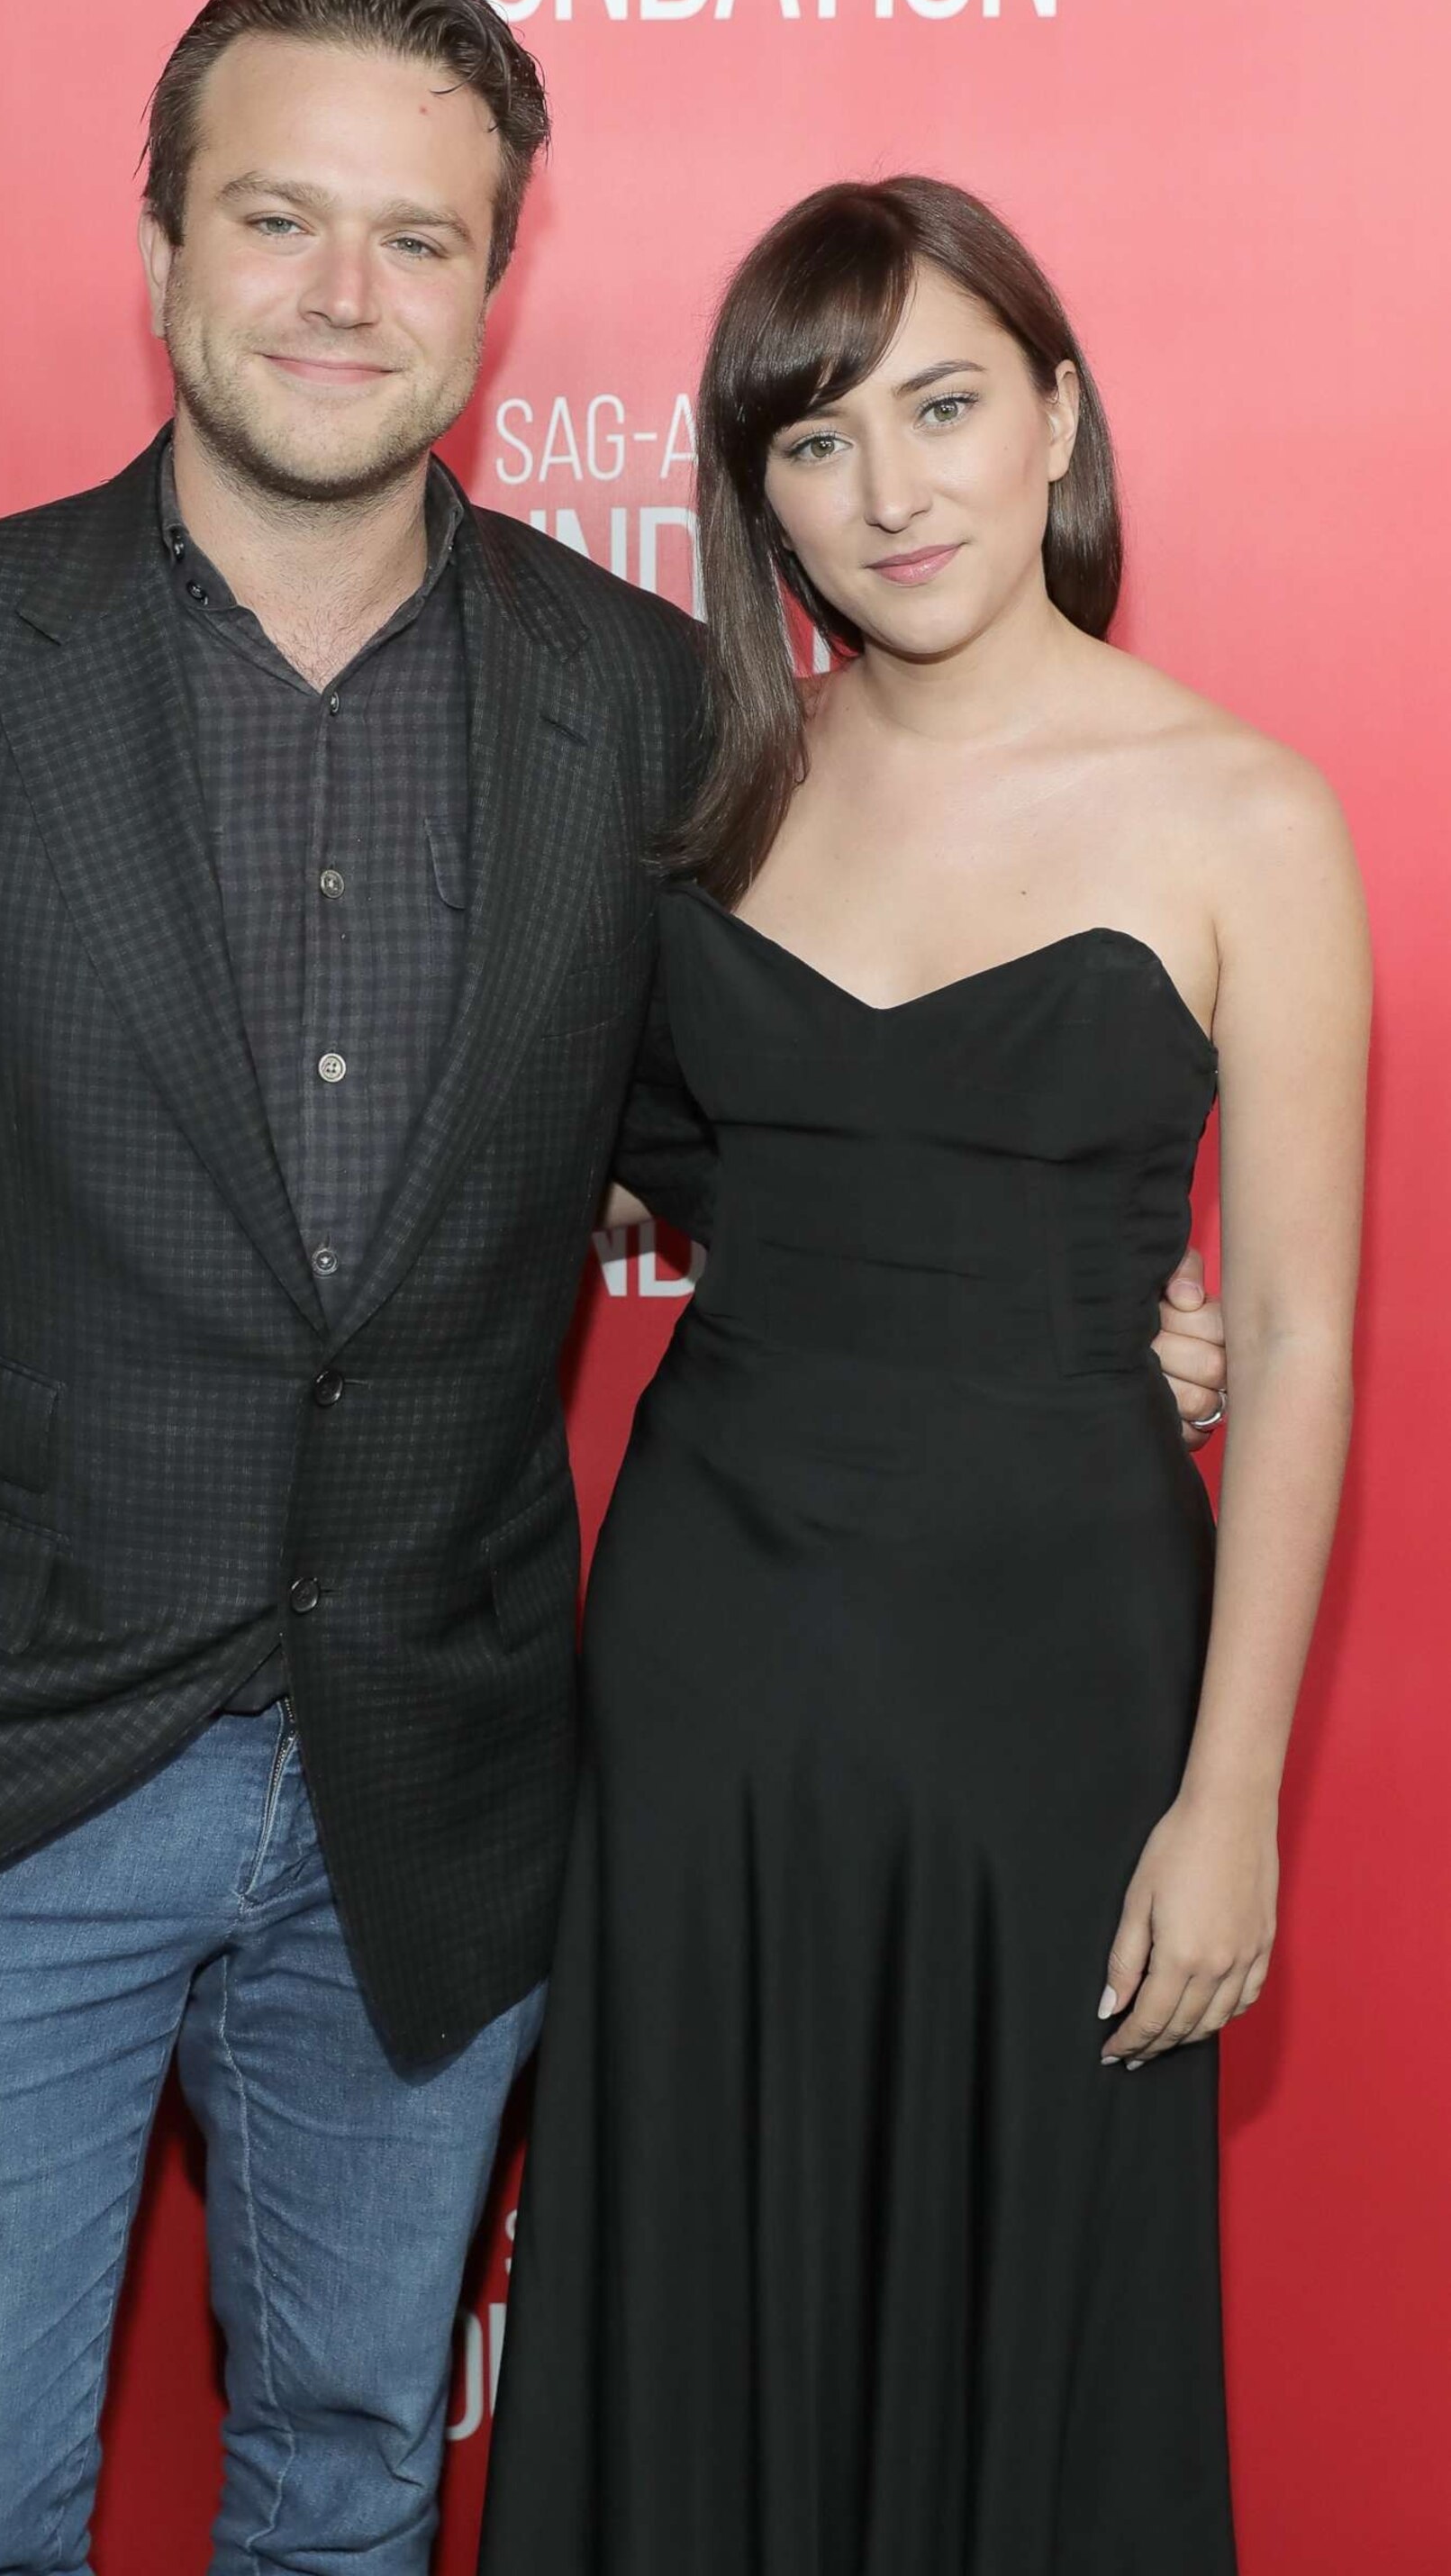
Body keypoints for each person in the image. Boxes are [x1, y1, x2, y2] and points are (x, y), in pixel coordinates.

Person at [0, 0, 1225, 2575]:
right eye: (278, 219)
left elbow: (740, 1126)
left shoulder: (643, 707)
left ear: (496, 291)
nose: (341, 295)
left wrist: (1040, 1299)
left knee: (359, 2491)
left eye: (415, 238)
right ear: (158, 246)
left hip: (437, 1802)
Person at [479, 178, 1365, 2576]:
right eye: (815, 438)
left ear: (1057, 412)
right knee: (697, 2256)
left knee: (1034, 2307)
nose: (890, 490)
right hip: (708, 1662)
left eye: (947, 405)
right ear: (748, 484)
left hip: (1057, 1682)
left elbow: (1287, 1334)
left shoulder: (1244, 816)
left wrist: (1231, 1794)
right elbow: (630, 1148)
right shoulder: (711, 784)